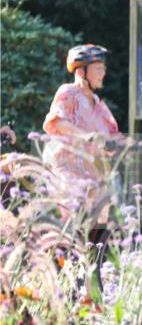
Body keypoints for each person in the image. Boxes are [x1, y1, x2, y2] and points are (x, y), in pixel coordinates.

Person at [42, 44, 121, 228]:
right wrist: (87, 136)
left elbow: (112, 137)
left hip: (94, 176)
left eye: (104, 68)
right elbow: (57, 122)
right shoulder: (68, 92)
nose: (103, 73)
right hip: (67, 171)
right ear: (81, 71)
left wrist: (133, 145)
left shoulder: (97, 103)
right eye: (98, 69)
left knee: (104, 224)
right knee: (75, 217)